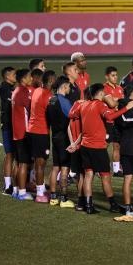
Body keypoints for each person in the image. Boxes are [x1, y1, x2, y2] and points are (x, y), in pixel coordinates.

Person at [68, 83, 133, 214]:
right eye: (103, 92)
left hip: (85, 146)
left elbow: (72, 115)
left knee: (88, 175)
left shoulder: (83, 105)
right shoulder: (100, 105)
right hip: (97, 147)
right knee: (105, 176)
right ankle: (113, 205)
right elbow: (109, 117)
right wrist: (126, 108)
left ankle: (88, 205)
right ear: (100, 93)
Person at [46, 76, 75, 208]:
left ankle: (53, 197)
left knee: (55, 167)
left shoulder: (51, 99)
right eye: (68, 86)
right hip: (64, 138)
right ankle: (63, 199)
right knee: (64, 168)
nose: (69, 89)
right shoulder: (64, 101)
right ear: (64, 86)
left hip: (54, 137)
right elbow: (72, 116)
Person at [27, 70, 56, 203]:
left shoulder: (37, 90)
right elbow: (51, 118)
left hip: (32, 130)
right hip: (41, 132)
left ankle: (39, 187)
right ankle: (39, 194)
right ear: (50, 81)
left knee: (37, 162)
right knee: (41, 163)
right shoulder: (48, 96)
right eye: (54, 79)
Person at [114, 88, 133, 216]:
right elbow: (125, 121)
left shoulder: (121, 110)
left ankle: (129, 208)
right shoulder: (131, 109)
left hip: (127, 148)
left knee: (128, 179)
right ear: (130, 94)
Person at [11, 69, 33, 201]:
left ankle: (15, 190)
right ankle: (22, 192)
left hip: (16, 132)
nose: (31, 79)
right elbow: (31, 109)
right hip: (24, 132)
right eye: (29, 77)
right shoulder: (24, 91)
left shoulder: (15, 91)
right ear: (23, 79)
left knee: (18, 162)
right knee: (24, 163)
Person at [0, 66, 16, 196]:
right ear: (7, 76)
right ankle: (8, 185)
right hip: (9, 126)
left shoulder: (8, 87)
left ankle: (18, 183)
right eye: (14, 74)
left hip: (15, 126)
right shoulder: (4, 88)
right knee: (10, 154)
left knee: (16, 155)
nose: (16, 76)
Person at [103, 66, 125, 177]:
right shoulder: (104, 88)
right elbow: (111, 103)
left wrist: (115, 100)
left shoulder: (120, 88)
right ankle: (99, 167)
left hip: (118, 121)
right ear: (107, 76)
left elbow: (120, 102)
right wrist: (117, 101)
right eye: (113, 75)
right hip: (107, 122)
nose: (115, 77)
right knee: (103, 145)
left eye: (116, 75)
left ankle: (116, 170)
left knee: (117, 145)